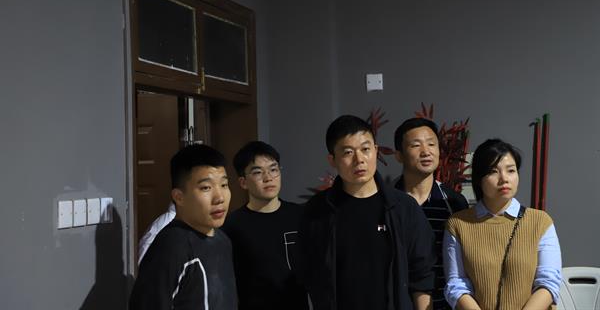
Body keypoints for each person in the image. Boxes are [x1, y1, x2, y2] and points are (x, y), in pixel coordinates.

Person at [297, 115, 436, 310]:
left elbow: (421, 276)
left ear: (376, 151)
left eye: (365, 149)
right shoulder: (318, 211)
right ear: (332, 160)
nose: (359, 160)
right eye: (348, 152)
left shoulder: (403, 208)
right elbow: (306, 273)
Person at [443, 139, 562, 310]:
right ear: (479, 178)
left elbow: (549, 282)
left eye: (511, 170)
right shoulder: (458, 224)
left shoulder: (540, 222)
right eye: (493, 171)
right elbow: (456, 284)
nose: (504, 179)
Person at [129, 144, 237, 310]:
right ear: (179, 197)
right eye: (206, 188)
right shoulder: (171, 246)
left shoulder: (223, 241)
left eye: (224, 185)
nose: (219, 198)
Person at [221, 141, 309, 310]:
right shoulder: (232, 226)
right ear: (243, 182)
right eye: (257, 172)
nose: (268, 178)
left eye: (273, 170)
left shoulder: (300, 216)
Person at [394, 117, 469, 310]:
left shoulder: (453, 203)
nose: (426, 151)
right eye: (416, 145)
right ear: (399, 155)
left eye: (431, 144)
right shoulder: (387, 202)